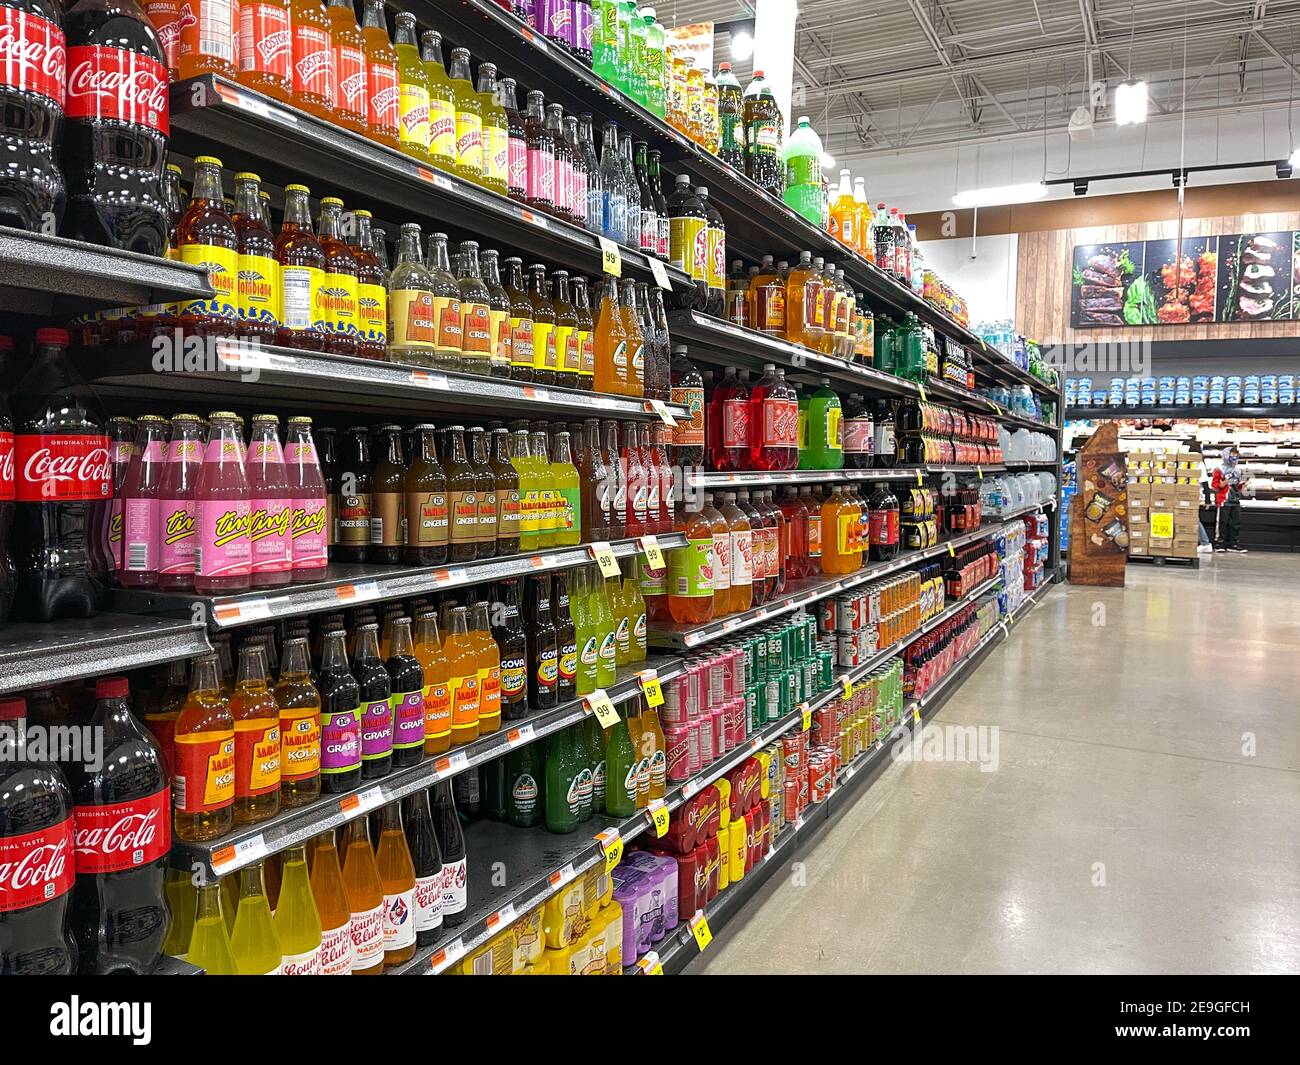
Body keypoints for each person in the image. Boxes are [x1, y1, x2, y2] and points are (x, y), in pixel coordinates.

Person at [1211, 446, 1249, 553]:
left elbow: (1238, 486)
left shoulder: (1237, 470)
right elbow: (1214, 486)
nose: (1234, 457)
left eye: (1236, 455)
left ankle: (1234, 544)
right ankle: (1220, 543)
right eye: (1232, 455)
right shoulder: (1219, 469)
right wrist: (1224, 483)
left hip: (1235, 500)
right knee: (1223, 522)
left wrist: (1244, 485)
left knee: (1235, 523)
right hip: (1224, 500)